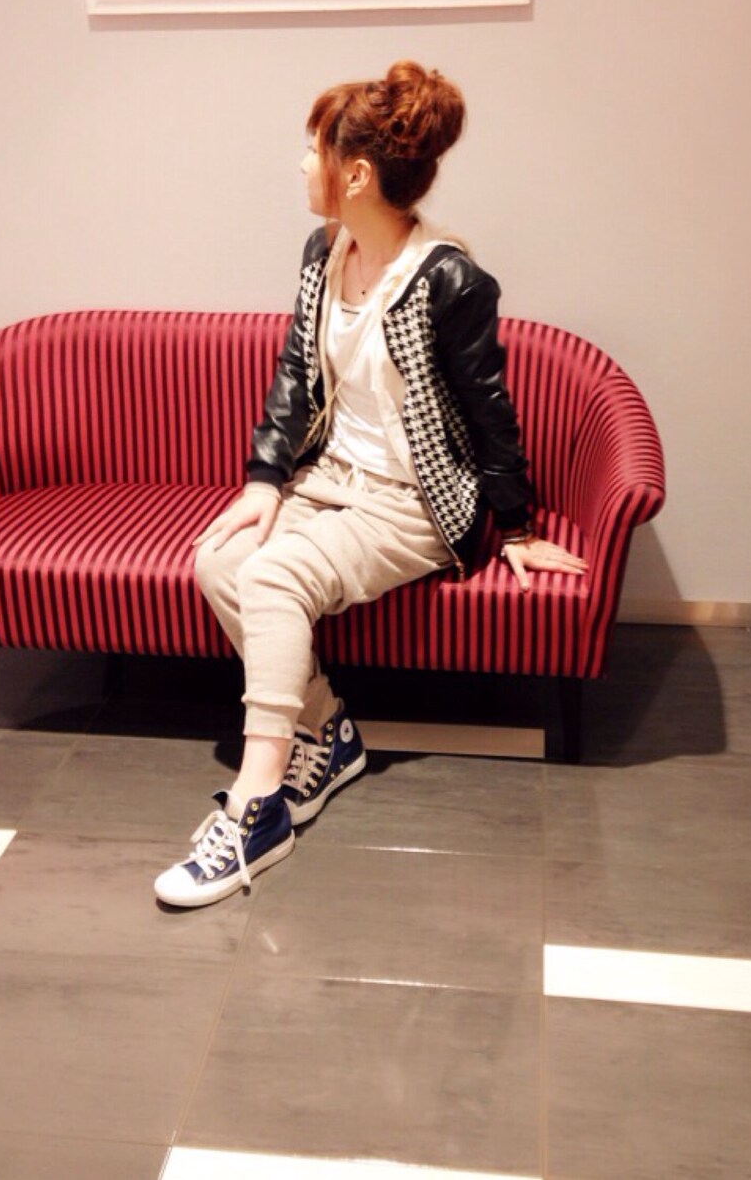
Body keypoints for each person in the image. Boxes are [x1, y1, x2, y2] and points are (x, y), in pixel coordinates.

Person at [154, 61, 587, 908]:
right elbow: (294, 371)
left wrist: (516, 527)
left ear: (354, 174)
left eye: (310, 149)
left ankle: (255, 810)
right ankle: (328, 732)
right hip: (330, 479)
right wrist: (265, 480)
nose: (300, 164)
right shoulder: (325, 250)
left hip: (412, 501)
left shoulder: (449, 280)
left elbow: (490, 410)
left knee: (274, 575)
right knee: (220, 559)